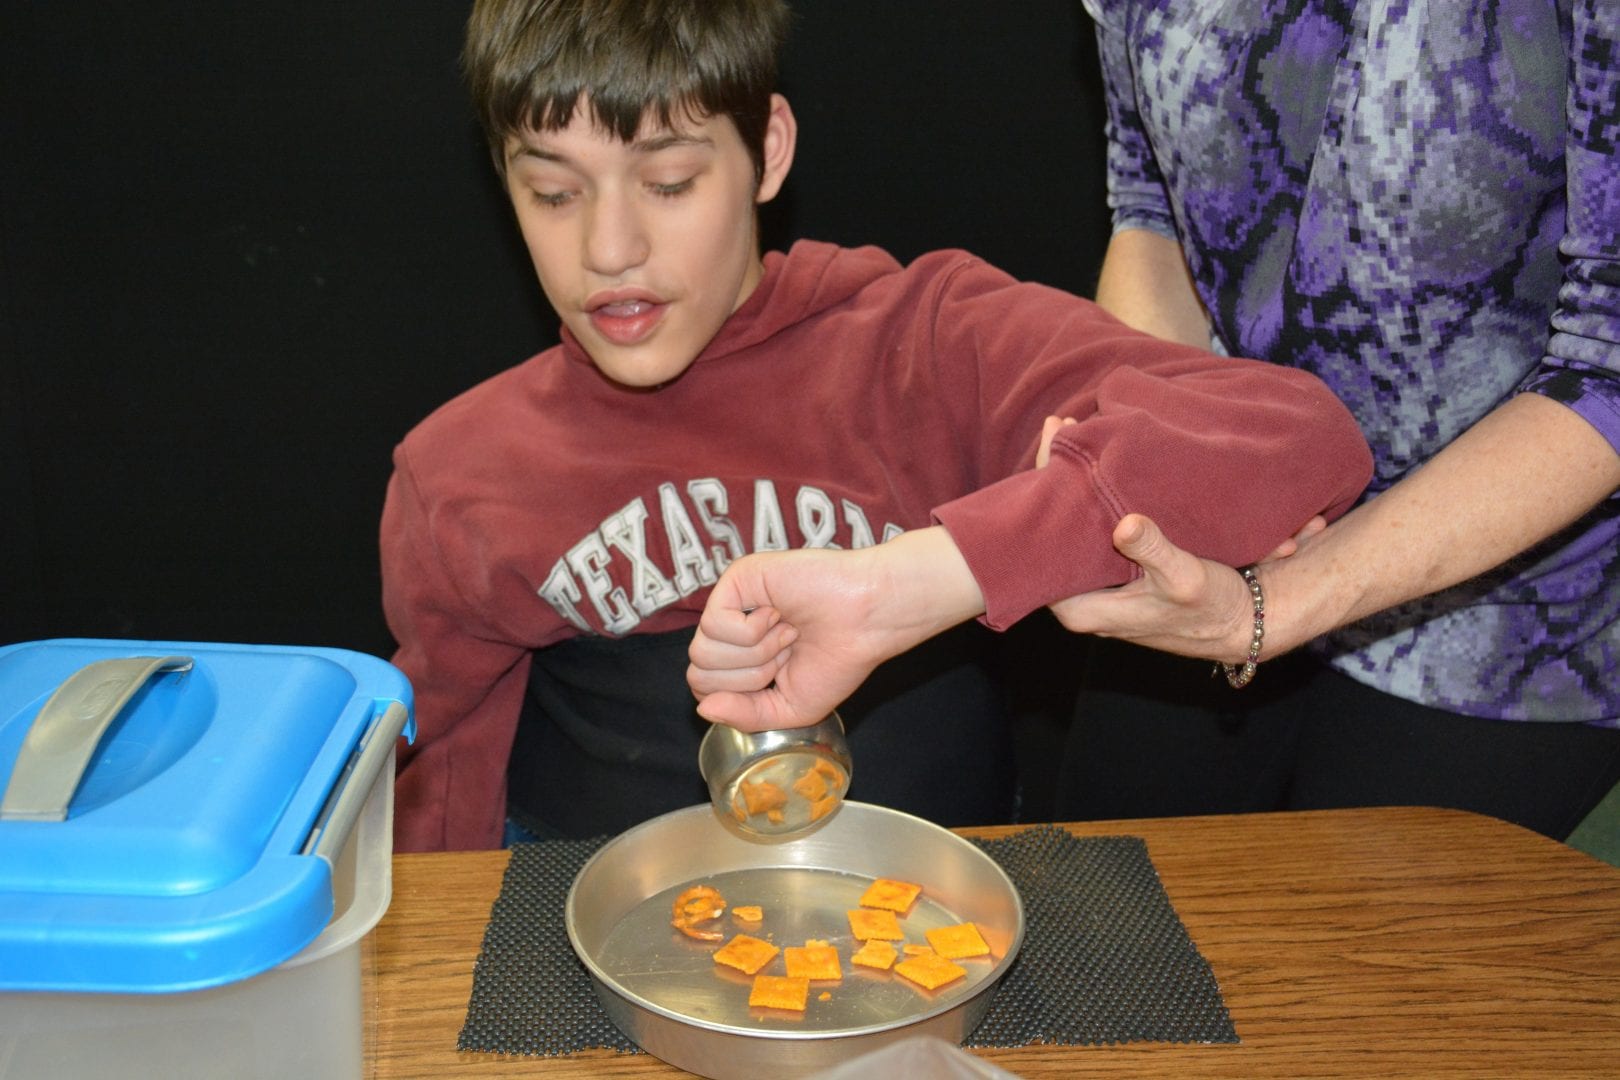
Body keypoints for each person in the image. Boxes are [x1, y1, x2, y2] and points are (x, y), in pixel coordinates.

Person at [382, 0, 1372, 852]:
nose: (609, 247)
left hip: (935, 941)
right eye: (553, 191)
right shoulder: (457, 474)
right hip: (614, 947)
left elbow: (1297, 439)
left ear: (767, 148)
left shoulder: (929, 346)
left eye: (670, 182)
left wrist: (942, 571)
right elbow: (442, 819)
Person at [690, 1, 1620, 841]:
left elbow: (1606, 358)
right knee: (1110, 952)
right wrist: (1124, 489)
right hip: (1206, 549)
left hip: (1517, 622)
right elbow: (1154, 209)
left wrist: (1272, 604)